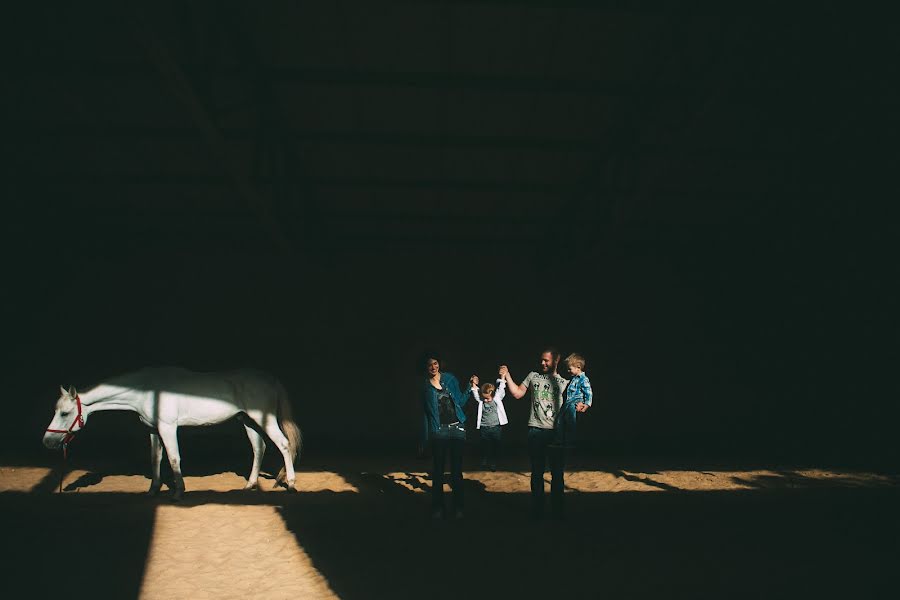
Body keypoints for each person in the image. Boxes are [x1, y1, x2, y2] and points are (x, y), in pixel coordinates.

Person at [500, 348, 569, 519]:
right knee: (537, 472)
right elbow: (517, 393)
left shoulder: (564, 382)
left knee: (557, 474)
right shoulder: (533, 376)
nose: (543, 363)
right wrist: (507, 375)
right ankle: (538, 510)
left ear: (556, 360)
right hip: (536, 431)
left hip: (555, 433)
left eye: (546, 360)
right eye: (541, 360)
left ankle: (557, 511)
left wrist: (584, 404)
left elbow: (575, 403)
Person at [420, 352, 474, 519]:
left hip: (456, 429)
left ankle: (459, 508)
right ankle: (438, 508)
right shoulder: (425, 387)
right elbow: (426, 414)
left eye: (435, 363)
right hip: (439, 431)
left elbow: (461, 402)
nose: (433, 367)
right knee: (438, 472)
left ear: (439, 364)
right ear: (426, 367)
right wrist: (424, 438)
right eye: (430, 364)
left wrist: (470, 388)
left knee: (456, 472)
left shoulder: (450, 379)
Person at [469, 376, 508, 471]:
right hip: (484, 427)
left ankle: (493, 463)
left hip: (496, 427)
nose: (485, 400)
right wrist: (474, 384)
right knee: (485, 445)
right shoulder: (482, 400)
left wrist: (502, 377)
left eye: (488, 398)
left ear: (493, 394)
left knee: (496, 446)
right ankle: (484, 460)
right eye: (484, 398)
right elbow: (475, 393)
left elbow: (501, 388)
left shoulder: (497, 398)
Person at [555, 353, 593, 448]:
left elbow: (588, 392)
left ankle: (569, 441)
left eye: (570, 368)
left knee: (570, 421)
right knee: (559, 420)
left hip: (575, 401)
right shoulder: (573, 379)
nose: (568, 371)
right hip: (568, 402)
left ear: (578, 367)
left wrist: (587, 404)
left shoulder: (583, 379)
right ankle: (559, 440)